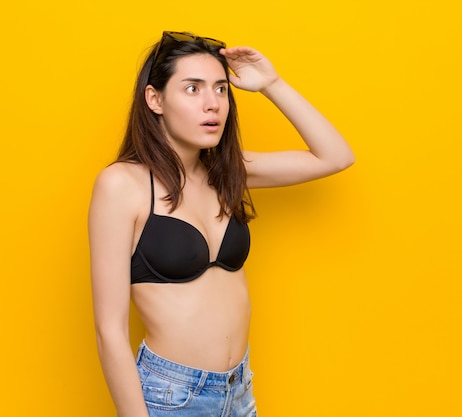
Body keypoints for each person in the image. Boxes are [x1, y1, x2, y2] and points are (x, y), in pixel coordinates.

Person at [88, 31, 354, 417]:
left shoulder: (227, 172)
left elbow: (335, 156)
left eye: (221, 89)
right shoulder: (122, 185)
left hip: (239, 390)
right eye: (192, 89)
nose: (212, 104)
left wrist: (271, 84)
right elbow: (109, 330)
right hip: (171, 397)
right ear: (154, 99)